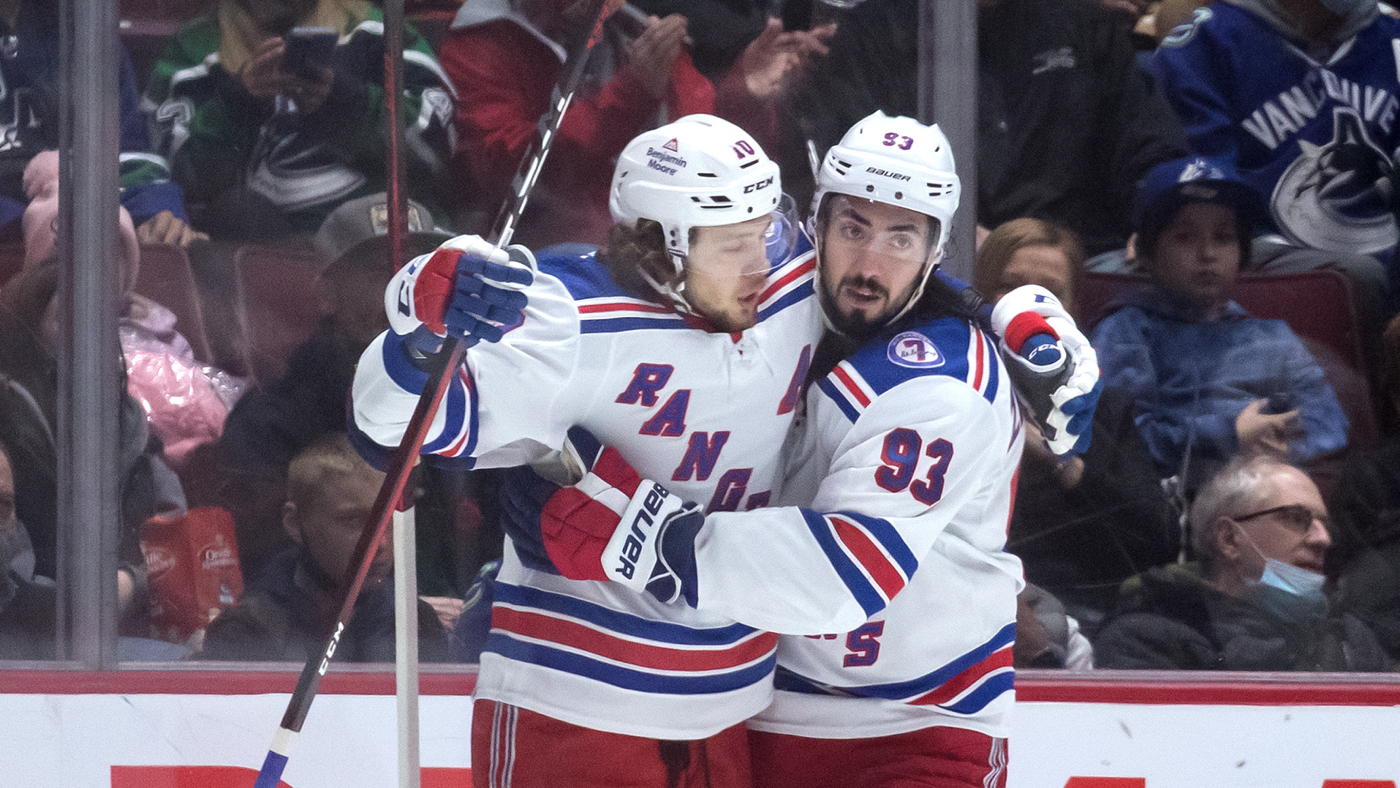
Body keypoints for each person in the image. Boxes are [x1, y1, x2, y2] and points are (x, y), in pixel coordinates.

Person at [351, 113, 1097, 787]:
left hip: (812, 720)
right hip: (596, 704)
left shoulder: (820, 304)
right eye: (737, 242)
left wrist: (1013, 311)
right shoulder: (574, 320)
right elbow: (393, 432)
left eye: (765, 233)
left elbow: (844, 571)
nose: (763, 263)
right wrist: (416, 329)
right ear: (666, 243)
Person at [787, 0, 1186, 255]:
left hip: (1079, 252)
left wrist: (1157, 217)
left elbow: (1145, 140)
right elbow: (850, 158)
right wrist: (948, 225)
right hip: (930, 249)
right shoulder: (876, 31)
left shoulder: (1083, 24)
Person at [203, 192, 452, 584]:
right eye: (384, 272)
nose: (408, 291)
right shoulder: (270, 425)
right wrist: (401, 607)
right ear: (327, 295)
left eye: (422, 271)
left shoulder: (466, 401)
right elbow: (268, 576)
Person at [440, 0, 824, 246]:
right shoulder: (480, 44)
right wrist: (631, 95)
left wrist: (744, 94)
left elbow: (702, 150)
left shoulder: (627, 24)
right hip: (555, 265)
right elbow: (510, 173)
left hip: (670, 252)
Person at [1091, 156, 1349, 490]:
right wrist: (1229, 435)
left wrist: (1274, 450)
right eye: (1184, 237)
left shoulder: (1271, 336)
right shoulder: (1125, 333)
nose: (1207, 254)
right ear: (1146, 253)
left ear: (1243, 252)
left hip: (1276, 483)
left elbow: (1329, 422)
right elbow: (1122, 443)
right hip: (1173, 494)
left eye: (1224, 237)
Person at [976, 218, 1178, 627]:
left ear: (1072, 310)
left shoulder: (1103, 411)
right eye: (1009, 287)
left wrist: (1064, 466)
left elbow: (1157, 543)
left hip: (1085, 616)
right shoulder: (942, 394)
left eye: (1049, 293)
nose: (1027, 306)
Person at [1151, 0, 1397, 325]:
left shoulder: (1392, 40)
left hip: (1382, 236)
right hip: (1261, 241)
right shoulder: (1203, 43)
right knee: (1359, 275)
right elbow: (1205, 182)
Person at [143, 0, 456, 240]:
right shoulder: (196, 47)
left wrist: (346, 103)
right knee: (239, 212)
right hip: (258, 253)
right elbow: (171, 175)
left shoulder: (376, 31)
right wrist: (236, 103)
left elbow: (437, 147)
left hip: (378, 239)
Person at [1093, 455, 1389, 671]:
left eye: (1325, 524)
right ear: (1230, 539)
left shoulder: (1349, 638)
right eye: (1296, 518)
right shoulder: (1147, 639)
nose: (1323, 538)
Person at [201, 432, 448, 661]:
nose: (381, 543)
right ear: (295, 523)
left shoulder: (416, 624)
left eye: (391, 519)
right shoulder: (248, 633)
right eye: (353, 521)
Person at [0, 0, 200, 246]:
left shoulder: (89, 39)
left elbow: (130, 162)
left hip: (81, 238)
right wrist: (22, 224)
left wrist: (156, 216)